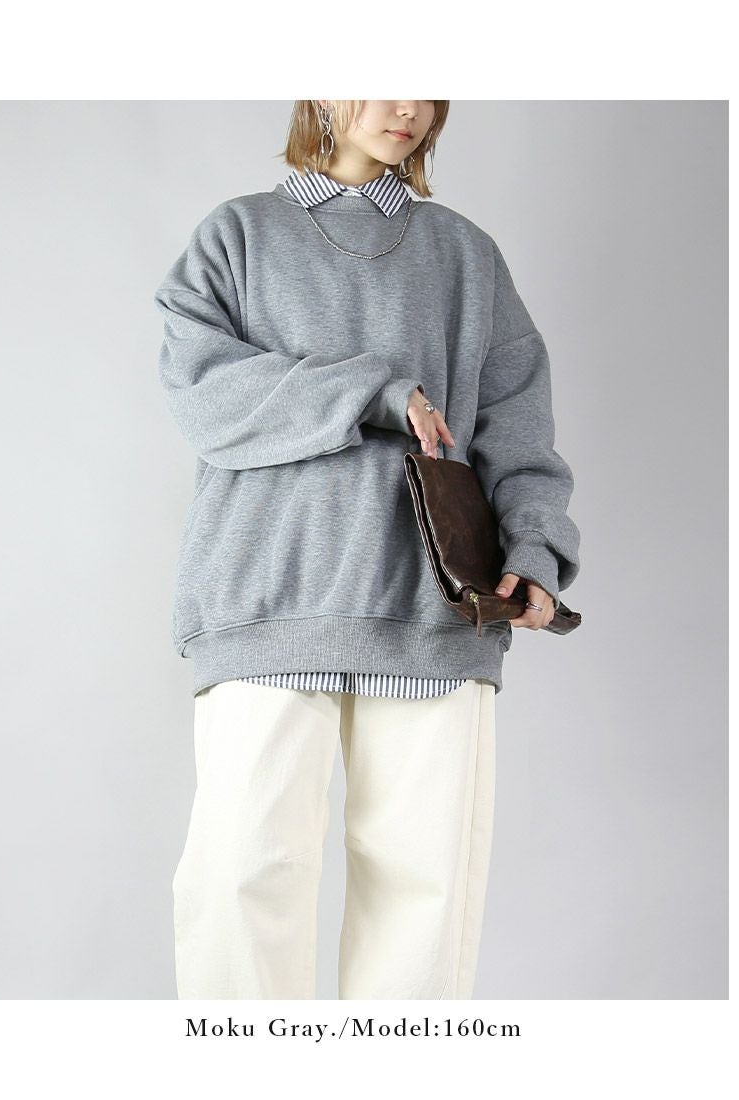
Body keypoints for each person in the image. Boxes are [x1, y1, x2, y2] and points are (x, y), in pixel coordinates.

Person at [154, 100, 581, 1000]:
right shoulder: (239, 236)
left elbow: (519, 428)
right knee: (241, 882)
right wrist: (378, 391)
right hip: (268, 599)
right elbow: (203, 392)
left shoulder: (465, 254)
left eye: (426, 83)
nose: (408, 107)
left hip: (436, 610)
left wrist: (535, 551)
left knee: (422, 904)